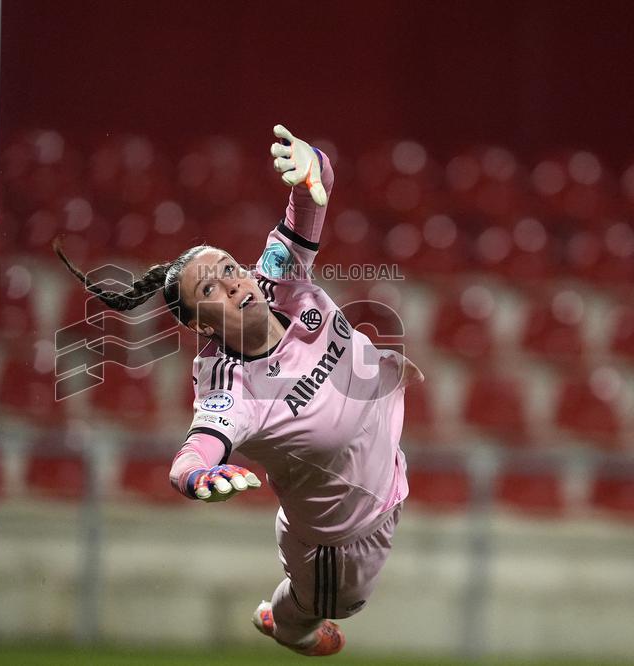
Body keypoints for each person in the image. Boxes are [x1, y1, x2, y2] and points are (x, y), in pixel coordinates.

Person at [53, 124, 422, 656]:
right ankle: (284, 623)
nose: (232, 283)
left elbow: (309, 198)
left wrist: (312, 162)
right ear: (202, 324)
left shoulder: (279, 278)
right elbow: (196, 448)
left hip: (386, 471)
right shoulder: (232, 387)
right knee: (323, 610)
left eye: (229, 268)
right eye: (210, 289)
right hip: (337, 542)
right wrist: (196, 475)